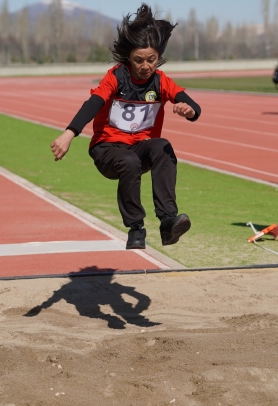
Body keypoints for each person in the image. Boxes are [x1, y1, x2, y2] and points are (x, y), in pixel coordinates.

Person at [50, 3, 201, 250]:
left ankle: (167, 222)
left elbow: (192, 105)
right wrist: (69, 134)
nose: (145, 66)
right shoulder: (116, 77)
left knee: (163, 146)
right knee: (129, 162)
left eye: (151, 60)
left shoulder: (160, 81)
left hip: (139, 150)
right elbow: (93, 103)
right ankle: (136, 228)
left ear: (158, 58)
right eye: (138, 60)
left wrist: (190, 110)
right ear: (129, 58)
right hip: (107, 151)